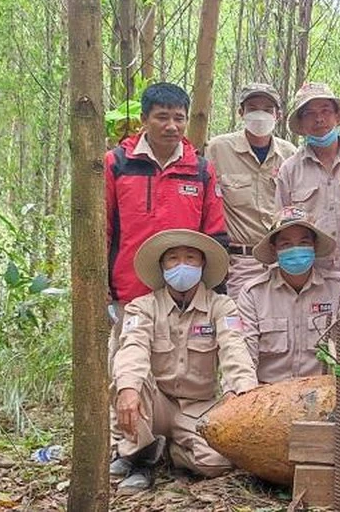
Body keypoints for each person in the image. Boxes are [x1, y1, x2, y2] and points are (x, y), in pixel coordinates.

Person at [104, 82, 228, 470]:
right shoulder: (116, 164)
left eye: (179, 117)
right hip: (131, 290)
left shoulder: (202, 169)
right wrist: (102, 290)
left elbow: (216, 232)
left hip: (188, 294)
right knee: (127, 370)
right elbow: (101, 229)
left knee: (186, 372)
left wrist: (213, 295)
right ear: (144, 120)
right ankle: (131, 451)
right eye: (162, 117)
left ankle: (174, 442)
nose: (171, 126)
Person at [111, 229, 258, 494]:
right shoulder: (142, 307)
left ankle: (170, 450)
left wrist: (241, 392)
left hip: (198, 407)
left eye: (191, 258)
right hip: (155, 404)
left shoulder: (221, 307)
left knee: (218, 463)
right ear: (162, 266)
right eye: (173, 259)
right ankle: (140, 459)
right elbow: (133, 347)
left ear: (202, 265)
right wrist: (128, 388)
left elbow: (234, 348)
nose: (182, 265)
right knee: (131, 378)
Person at [237, 207, 340, 383]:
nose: (296, 250)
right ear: (274, 249)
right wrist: (245, 389)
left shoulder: (337, 287)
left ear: (314, 246)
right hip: (268, 392)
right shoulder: (253, 294)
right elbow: (244, 353)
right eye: (286, 244)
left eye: (303, 243)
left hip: (320, 392)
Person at [205, 83, 297, 299]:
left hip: (283, 258)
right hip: (239, 263)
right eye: (253, 108)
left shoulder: (290, 154)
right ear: (241, 113)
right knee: (241, 328)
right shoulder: (217, 149)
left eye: (267, 109)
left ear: (278, 115)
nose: (260, 115)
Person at [275, 82, 340, 299]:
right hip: (312, 275)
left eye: (325, 111)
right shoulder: (290, 170)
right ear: (301, 122)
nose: (319, 119)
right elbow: (280, 226)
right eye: (310, 114)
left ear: (336, 116)